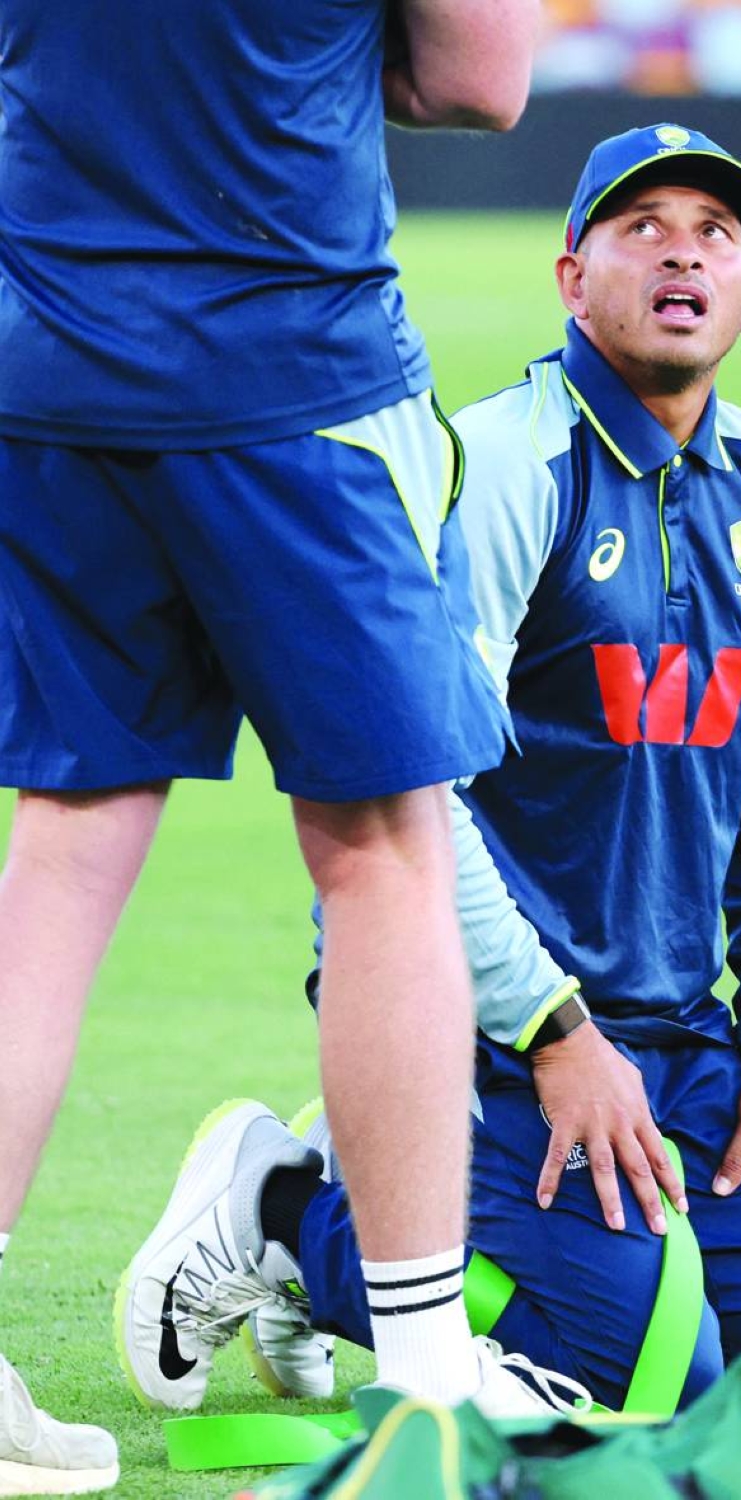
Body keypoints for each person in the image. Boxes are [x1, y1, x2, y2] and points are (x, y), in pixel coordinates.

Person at [120, 122, 741, 1420]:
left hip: (682, 1038)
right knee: (640, 1383)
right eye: (642, 229)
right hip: (487, 1020)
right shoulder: (506, 466)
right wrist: (555, 1031)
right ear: (572, 277)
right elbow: (417, 792)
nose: (682, 254)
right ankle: (290, 1213)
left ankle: (357, 1194)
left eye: (714, 234)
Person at [0, 0, 546, 1489]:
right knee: (383, 850)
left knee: (64, 842)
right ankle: (428, 1373)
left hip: (53, 359)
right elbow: (481, 79)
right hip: (293, 368)